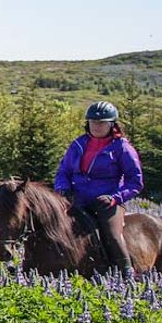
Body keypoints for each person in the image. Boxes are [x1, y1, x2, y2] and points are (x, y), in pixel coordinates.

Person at [54, 100, 143, 273]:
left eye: (101, 122)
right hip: (76, 200)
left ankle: (126, 273)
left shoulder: (122, 148)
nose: (96, 126)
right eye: (93, 122)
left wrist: (115, 198)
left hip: (107, 202)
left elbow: (135, 181)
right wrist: (63, 188)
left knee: (112, 235)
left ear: (112, 124)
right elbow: (63, 171)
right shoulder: (77, 145)